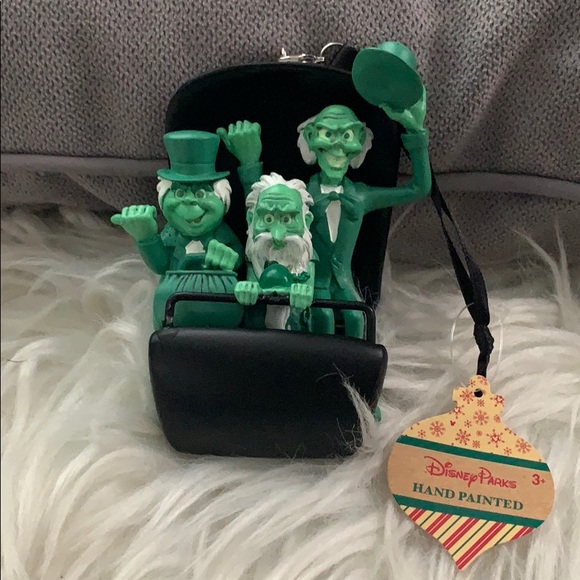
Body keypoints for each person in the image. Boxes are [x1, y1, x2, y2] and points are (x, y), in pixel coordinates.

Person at [218, 43, 431, 338]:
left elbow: (419, 188)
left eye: (346, 136)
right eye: (327, 135)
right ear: (310, 139)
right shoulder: (300, 195)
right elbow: (262, 206)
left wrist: (416, 132)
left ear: (361, 142)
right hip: (310, 283)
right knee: (321, 320)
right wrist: (250, 162)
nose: (337, 146)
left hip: (346, 283)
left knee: (358, 321)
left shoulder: (361, 196)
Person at [111, 130, 243, 329]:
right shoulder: (172, 233)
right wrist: (146, 237)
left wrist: (230, 258)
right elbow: (161, 265)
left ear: (222, 197)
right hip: (174, 306)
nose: (189, 201)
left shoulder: (221, 233)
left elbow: (239, 257)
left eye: (201, 193)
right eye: (180, 193)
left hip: (219, 305)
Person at [234, 172, 316, 331]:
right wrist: (247, 289)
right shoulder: (255, 255)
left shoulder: (307, 258)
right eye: (268, 219)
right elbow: (252, 283)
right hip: (256, 336)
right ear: (250, 220)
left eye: (287, 220)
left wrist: (304, 291)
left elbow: (308, 288)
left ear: (306, 221)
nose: (277, 235)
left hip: (297, 335)